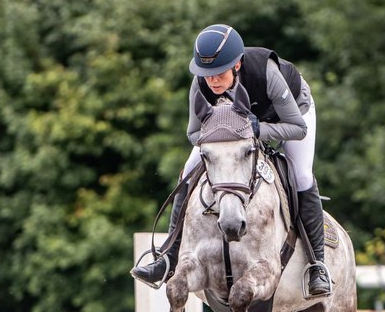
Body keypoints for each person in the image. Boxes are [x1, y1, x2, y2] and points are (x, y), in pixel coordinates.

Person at [130, 24, 332, 297]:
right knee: (187, 172)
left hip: (288, 113)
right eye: (207, 74)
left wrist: (257, 130)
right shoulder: (200, 82)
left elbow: (297, 128)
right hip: (233, 132)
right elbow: (193, 133)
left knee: (302, 175)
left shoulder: (266, 74)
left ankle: (317, 264)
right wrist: (222, 133)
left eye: (219, 73)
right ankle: (168, 257)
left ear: (237, 65)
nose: (212, 81)